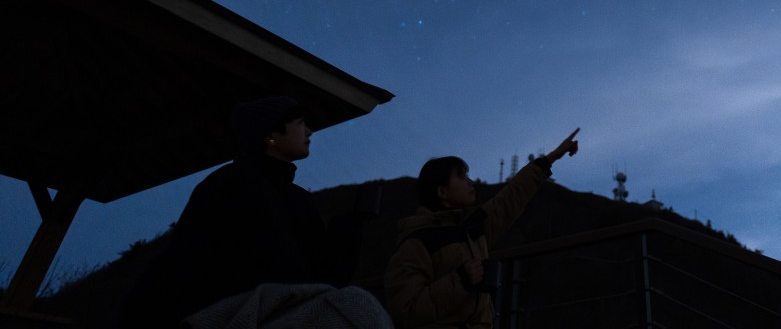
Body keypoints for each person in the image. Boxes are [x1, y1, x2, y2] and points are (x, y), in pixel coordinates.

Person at [121, 96, 392, 328]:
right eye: (300, 123)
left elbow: (324, 275)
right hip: (227, 310)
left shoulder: (297, 199)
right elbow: (200, 261)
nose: (309, 131)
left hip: (280, 305)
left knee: (357, 304)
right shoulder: (231, 184)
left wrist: (350, 227)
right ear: (271, 134)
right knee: (357, 310)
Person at [384, 128, 581, 328]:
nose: (471, 181)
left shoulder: (471, 229)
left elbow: (512, 197)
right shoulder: (416, 243)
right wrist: (461, 280)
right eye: (461, 176)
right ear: (442, 191)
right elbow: (404, 311)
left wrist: (552, 157)